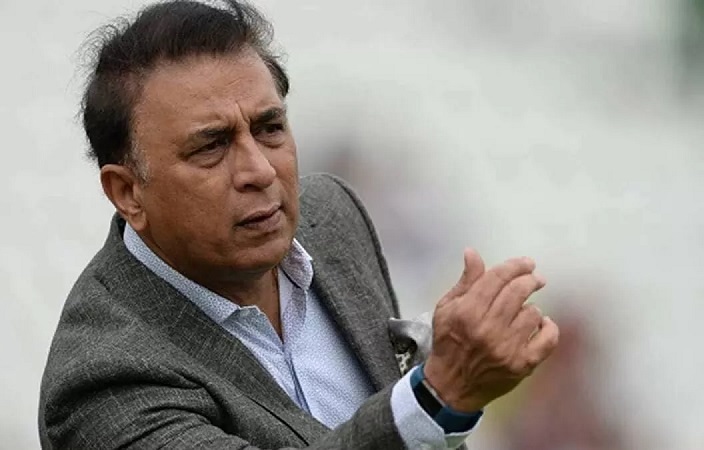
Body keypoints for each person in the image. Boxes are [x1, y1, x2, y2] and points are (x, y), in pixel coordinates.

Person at [38, 1, 560, 449]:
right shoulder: (102, 383)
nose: (260, 171)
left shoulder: (331, 218)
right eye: (211, 146)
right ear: (127, 192)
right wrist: (438, 395)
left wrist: (436, 362)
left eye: (269, 128)